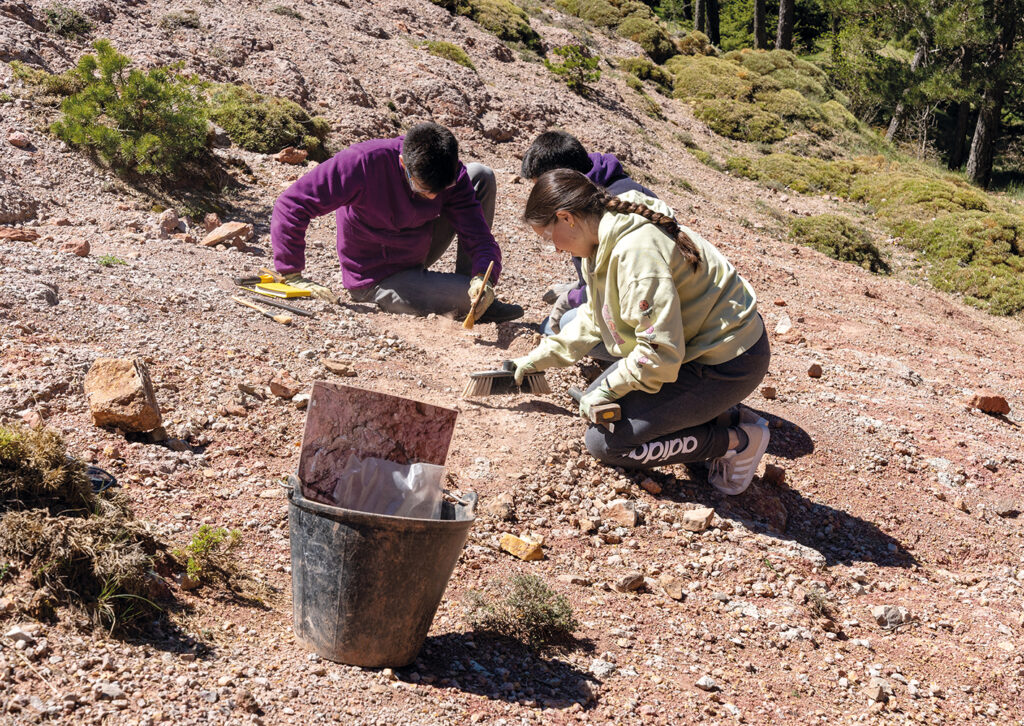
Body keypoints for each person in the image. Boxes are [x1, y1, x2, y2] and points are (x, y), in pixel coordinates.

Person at [510, 169, 771, 495]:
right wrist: (537, 359)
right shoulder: (604, 228)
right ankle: (716, 414)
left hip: (729, 361)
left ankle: (737, 442)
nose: (556, 249)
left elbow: (660, 354)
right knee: (599, 382)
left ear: (567, 218)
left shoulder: (635, 254)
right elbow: (595, 319)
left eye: (550, 237)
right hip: (691, 345)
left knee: (607, 443)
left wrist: (604, 391)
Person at [270, 122, 524, 323]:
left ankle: (468, 287)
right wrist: (291, 273)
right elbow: (292, 204)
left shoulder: (451, 176)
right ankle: (459, 296)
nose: (433, 197)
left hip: (418, 245)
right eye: (423, 189)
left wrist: (483, 276)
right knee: (469, 301)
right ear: (403, 164)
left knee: (480, 174)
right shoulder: (363, 162)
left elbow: (477, 232)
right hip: (378, 274)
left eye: (440, 189)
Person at [521, 131, 655, 347]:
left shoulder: (609, 208)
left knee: (558, 326)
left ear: (560, 180)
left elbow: (628, 286)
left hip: (647, 313)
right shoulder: (598, 192)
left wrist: (575, 298)